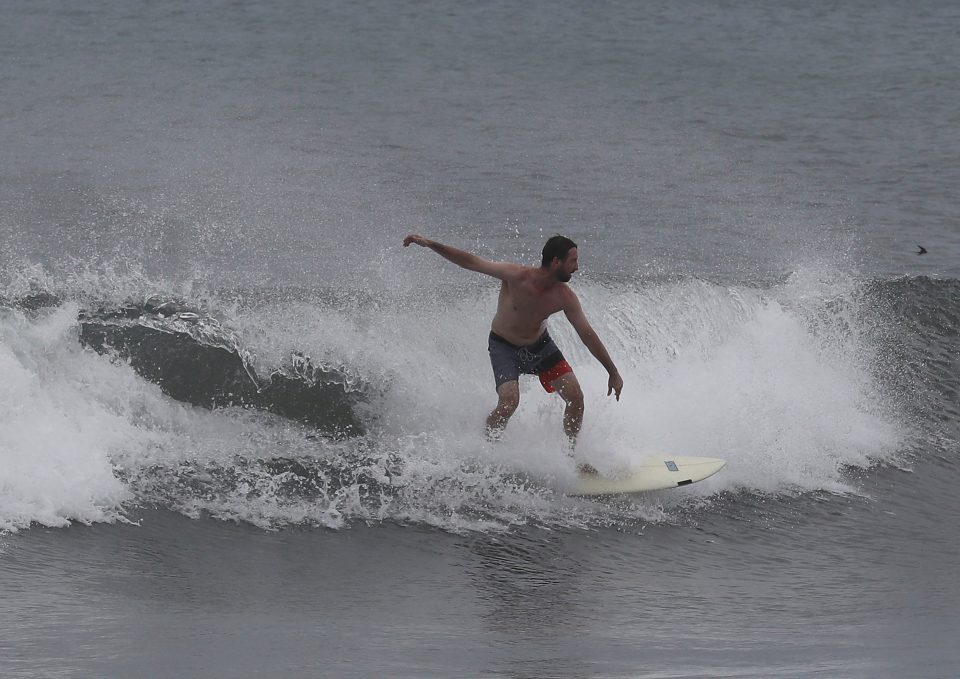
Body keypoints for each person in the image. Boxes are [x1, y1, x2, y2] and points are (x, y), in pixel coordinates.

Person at [403, 233, 623, 473]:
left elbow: (587, 334)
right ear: (556, 262)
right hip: (504, 347)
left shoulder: (565, 297)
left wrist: (612, 371)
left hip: (540, 347)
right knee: (509, 403)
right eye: (573, 261)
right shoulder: (516, 276)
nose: (577, 267)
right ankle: (485, 451)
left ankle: (570, 457)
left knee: (576, 398)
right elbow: (470, 262)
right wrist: (431, 244)